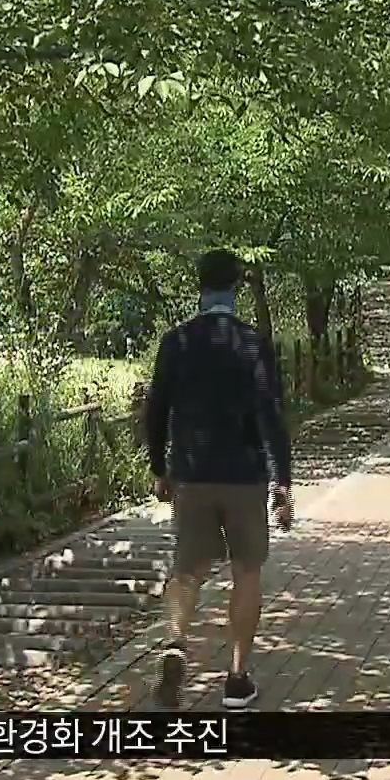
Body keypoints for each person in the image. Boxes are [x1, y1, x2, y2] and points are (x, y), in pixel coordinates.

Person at [143, 248, 294, 711]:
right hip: (244, 476)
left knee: (186, 570)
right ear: (236, 288)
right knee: (246, 571)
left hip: (192, 474)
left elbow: (156, 409)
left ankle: (174, 642)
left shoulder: (176, 342)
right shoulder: (252, 343)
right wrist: (282, 481)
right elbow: (270, 413)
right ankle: (236, 678)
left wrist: (159, 467)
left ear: (200, 288)